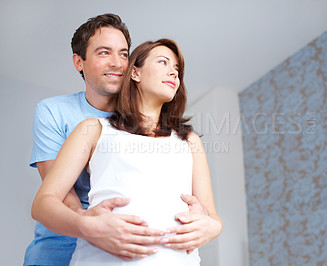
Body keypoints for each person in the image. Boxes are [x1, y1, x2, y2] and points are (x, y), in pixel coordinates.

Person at [25, 14, 212, 265]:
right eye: (104, 53)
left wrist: (207, 224)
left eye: (124, 54)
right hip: (63, 242)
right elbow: (55, 194)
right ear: (79, 62)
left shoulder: (173, 136)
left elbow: (197, 209)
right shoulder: (74, 120)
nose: (117, 63)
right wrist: (93, 227)